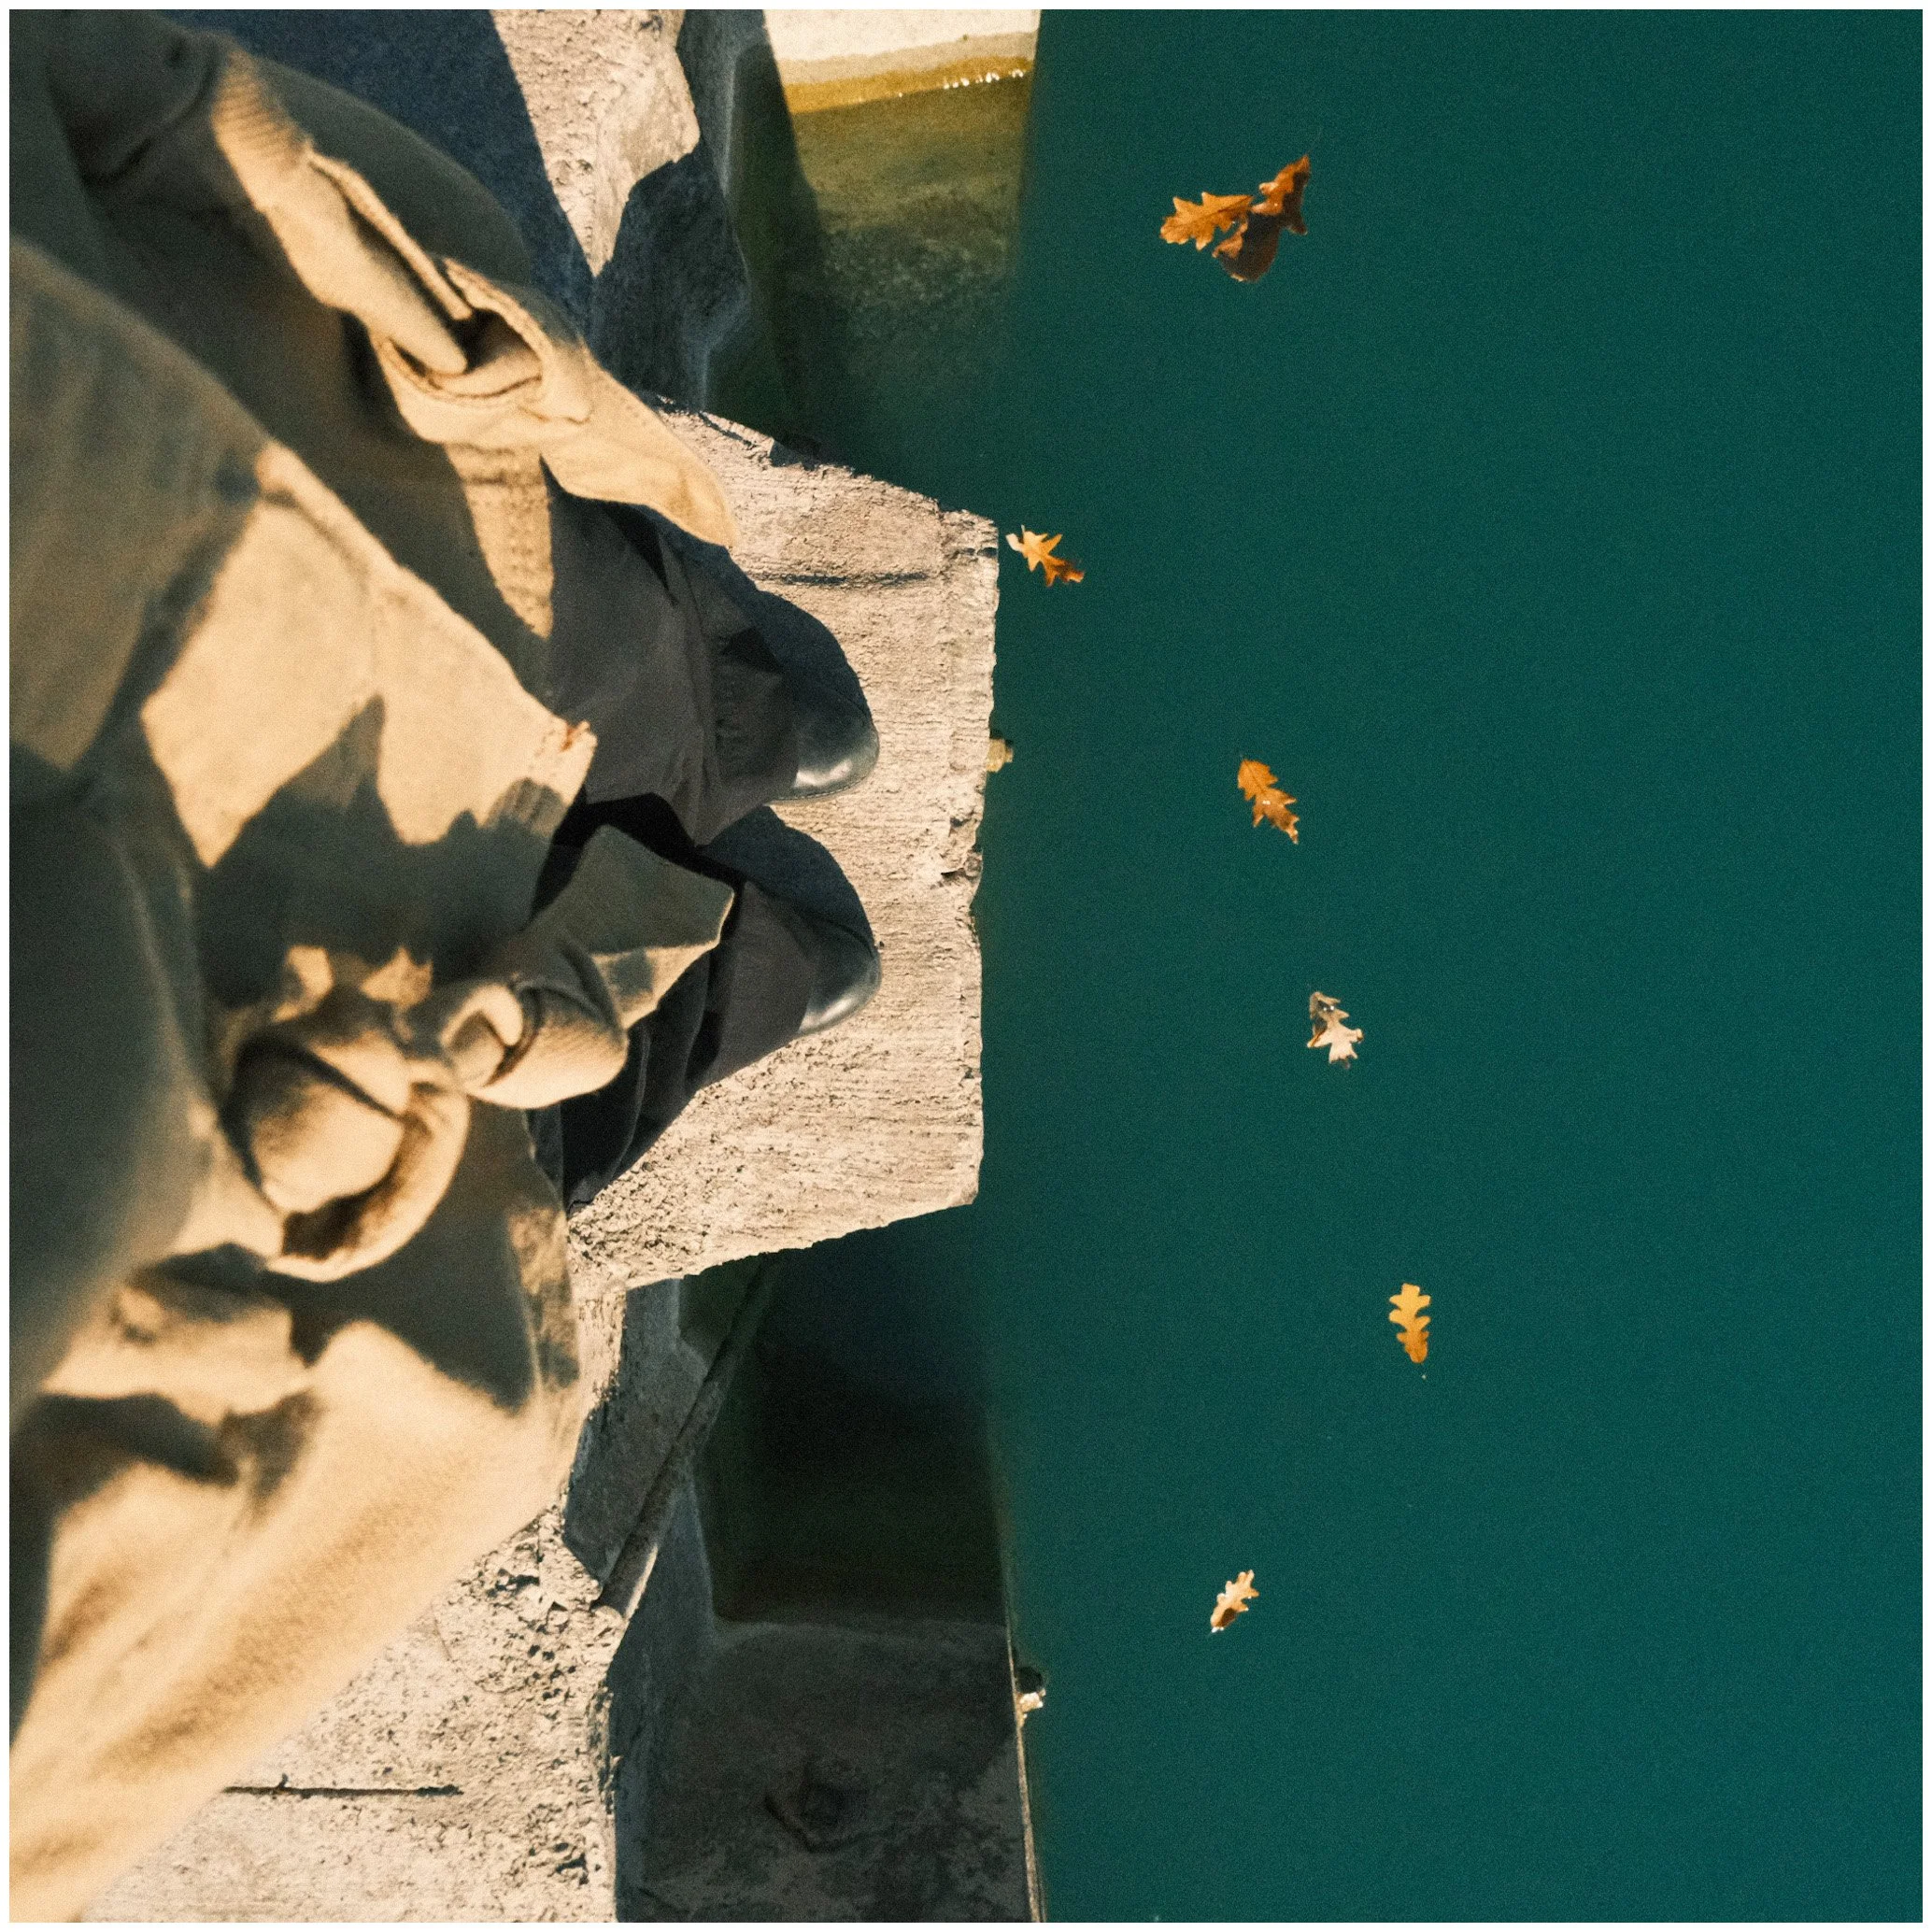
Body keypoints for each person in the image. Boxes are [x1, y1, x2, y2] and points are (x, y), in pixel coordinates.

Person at [7, 13, 875, 1912]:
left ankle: (710, 708)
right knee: (464, 1195)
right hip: (249, 1137)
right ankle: (721, 944)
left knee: (464, 575)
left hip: (141, 497)